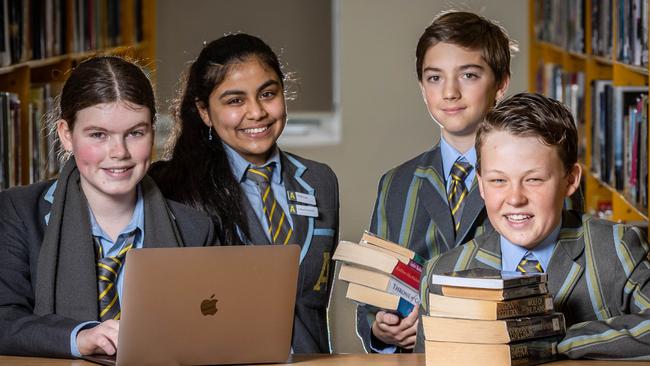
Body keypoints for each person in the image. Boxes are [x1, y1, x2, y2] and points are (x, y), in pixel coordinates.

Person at [0, 56, 217, 358]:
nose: (119, 152)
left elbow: (212, 329)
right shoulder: (18, 213)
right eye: (98, 135)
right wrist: (79, 337)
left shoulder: (195, 228)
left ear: (153, 131)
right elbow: (4, 319)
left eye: (135, 133)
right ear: (66, 135)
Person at [416, 92, 650, 359]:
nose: (515, 199)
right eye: (498, 181)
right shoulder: (444, 274)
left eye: (534, 179)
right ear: (480, 184)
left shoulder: (615, 249)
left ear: (570, 180)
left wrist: (553, 338)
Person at [149, 33, 339, 353]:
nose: (256, 112)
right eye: (235, 100)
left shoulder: (320, 181)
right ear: (205, 112)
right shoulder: (173, 189)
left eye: (267, 94)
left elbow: (314, 304)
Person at [357, 11, 513, 352]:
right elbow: (374, 291)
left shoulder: (531, 177)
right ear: (421, 87)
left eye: (469, 75)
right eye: (434, 78)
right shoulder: (396, 183)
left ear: (501, 83)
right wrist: (381, 328)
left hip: (501, 353)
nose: (450, 92)